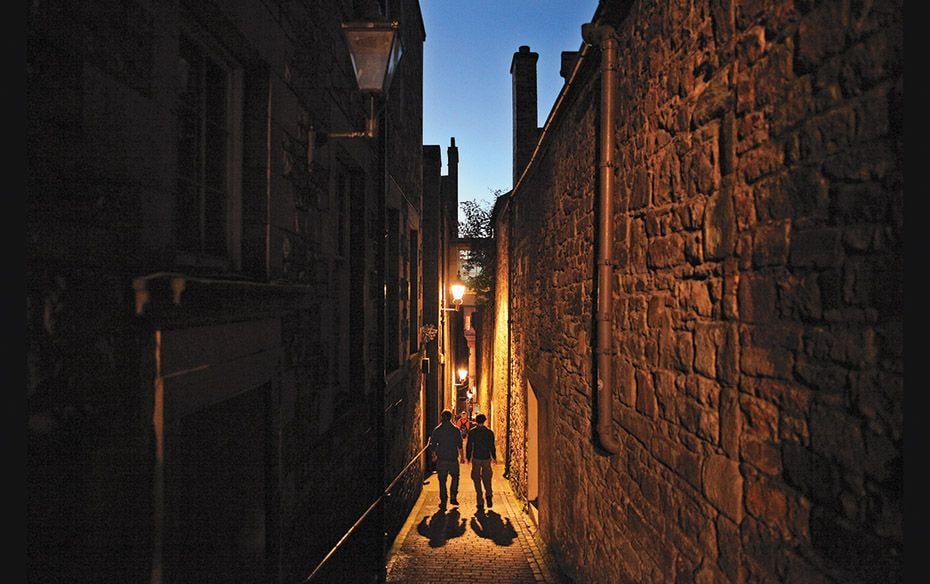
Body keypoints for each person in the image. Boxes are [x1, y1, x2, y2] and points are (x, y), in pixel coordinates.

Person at [428, 409, 466, 510]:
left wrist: (433, 455)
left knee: (442, 480)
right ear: (451, 418)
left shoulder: (437, 430)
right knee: (455, 477)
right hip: (453, 458)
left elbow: (433, 444)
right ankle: (453, 496)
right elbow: (460, 444)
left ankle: (443, 499)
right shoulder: (455, 430)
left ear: (442, 417)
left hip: (442, 458)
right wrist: (462, 457)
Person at [465, 413, 496, 511]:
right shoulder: (489, 432)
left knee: (476, 477)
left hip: (476, 458)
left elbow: (469, 445)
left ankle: (480, 500)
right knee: (487, 477)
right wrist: (494, 457)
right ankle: (489, 494)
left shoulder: (472, 432)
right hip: (486, 457)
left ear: (476, 421)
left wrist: (468, 457)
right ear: (485, 421)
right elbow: (492, 446)